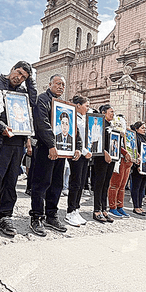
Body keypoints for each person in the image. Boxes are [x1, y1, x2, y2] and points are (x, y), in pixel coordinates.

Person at [0, 61, 36, 241]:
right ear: (12, 69)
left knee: (11, 182)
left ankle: (5, 216)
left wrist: (31, 81)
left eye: (24, 77)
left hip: (17, 141)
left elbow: (32, 103)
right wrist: (0, 126)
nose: (19, 78)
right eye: (18, 73)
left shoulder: (23, 92)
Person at [29, 74, 80, 236]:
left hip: (63, 151)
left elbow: (73, 127)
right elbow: (41, 123)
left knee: (57, 183)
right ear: (50, 84)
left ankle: (51, 214)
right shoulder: (43, 99)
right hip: (46, 148)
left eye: (63, 85)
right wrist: (51, 145)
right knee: (41, 183)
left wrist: (76, 147)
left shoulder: (65, 105)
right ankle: (36, 216)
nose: (61, 87)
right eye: (58, 83)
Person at [64, 95, 93, 226]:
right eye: (86, 105)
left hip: (85, 154)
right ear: (78, 105)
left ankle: (76, 209)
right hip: (77, 153)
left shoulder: (85, 118)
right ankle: (70, 212)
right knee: (75, 182)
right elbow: (76, 137)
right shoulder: (73, 118)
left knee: (81, 183)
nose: (88, 108)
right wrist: (85, 151)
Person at [90, 104, 116, 223]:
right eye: (111, 111)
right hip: (101, 158)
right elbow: (96, 140)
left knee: (106, 184)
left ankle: (104, 209)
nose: (113, 114)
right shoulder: (100, 124)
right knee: (99, 184)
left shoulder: (111, 125)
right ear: (104, 112)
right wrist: (104, 152)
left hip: (111, 159)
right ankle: (96, 210)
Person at [107, 119, 133, 219]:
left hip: (127, 161)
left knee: (122, 186)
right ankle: (112, 207)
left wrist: (135, 154)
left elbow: (132, 146)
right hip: (118, 161)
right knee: (115, 185)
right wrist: (125, 152)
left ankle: (120, 206)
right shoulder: (113, 131)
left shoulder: (128, 134)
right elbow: (114, 144)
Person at [130, 121, 146, 216]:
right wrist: (137, 165)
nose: (144, 129)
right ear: (136, 129)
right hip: (138, 166)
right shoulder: (135, 138)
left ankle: (140, 206)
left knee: (142, 188)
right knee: (136, 186)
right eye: (142, 128)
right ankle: (136, 207)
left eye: (145, 128)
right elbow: (135, 151)